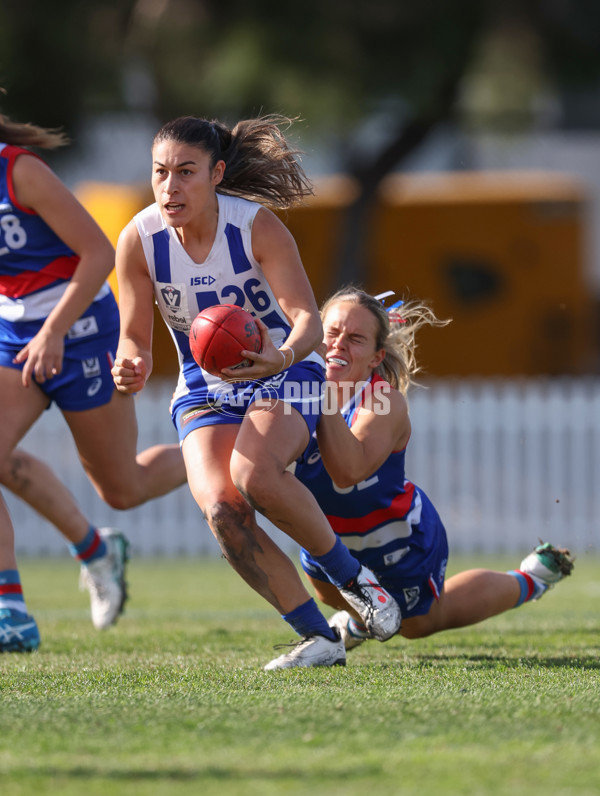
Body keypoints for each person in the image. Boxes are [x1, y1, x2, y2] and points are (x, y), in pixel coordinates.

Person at [111, 113, 401, 670]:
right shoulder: (139, 240)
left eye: (186, 172)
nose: (170, 187)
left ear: (217, 173)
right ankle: (319, 639)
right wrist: (132, 363)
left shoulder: (256, 227)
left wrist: (283, 356)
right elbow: (134, 337)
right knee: (223, 508)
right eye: (160, 173)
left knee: (256, 475)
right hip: (203, 384)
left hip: (284, 365)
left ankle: (359, 584)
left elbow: (307, 322)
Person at [0, 102, 188, 652]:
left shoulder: (20, 170)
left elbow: (98, 252)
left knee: (122, 488)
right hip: (16, 339)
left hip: (83, 333)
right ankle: (11, 609)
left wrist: (55, 330)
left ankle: (225, 449)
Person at [293, 286, 574, 650]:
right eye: (331, 333)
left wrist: (318, 395)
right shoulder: (293, 390)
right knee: (329, 595)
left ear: (376, 357)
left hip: (395, 538)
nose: (338, 345)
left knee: (419, 624)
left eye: (355, 339)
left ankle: (531, 578)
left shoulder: (383, 401)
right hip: (328, 539)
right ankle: (364, 619)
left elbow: (348, 471)